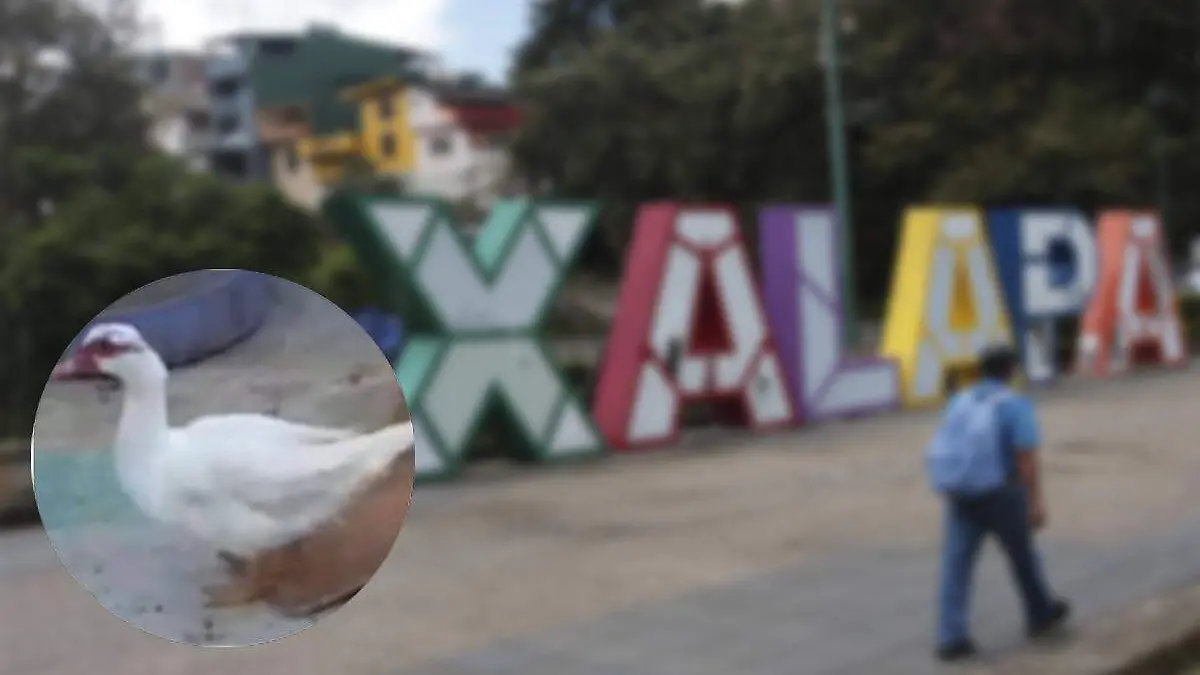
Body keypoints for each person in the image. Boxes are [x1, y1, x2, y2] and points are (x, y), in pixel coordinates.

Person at [925, 344, 1070, 661]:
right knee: (1022, 556)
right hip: (1002, 493)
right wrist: (1035, 501)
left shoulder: (959, 401)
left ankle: (951, 636)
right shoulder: (1015, 405)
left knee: (956, 563)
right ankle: (1039, 612)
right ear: (1010, 370)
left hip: (962, 492)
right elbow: (1026, 457)